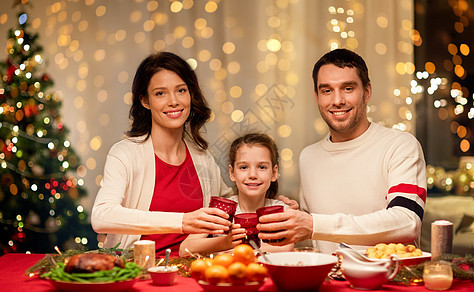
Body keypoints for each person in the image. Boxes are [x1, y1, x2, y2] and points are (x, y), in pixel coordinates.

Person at [257, 48, 427, 254]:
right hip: (328, 281)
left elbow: (407, 222)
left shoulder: (400, 145)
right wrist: (295, 216)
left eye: (348, 88)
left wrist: (312, 224)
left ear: (367, 92)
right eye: (326, 90)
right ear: (317, 96)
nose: (337, 100)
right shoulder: (308, 157)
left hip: (389, 281)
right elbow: (320, 230)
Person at [91, 52, 233, 256]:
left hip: (194, 273)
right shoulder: (125, 154)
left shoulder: (202, 157)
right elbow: (101, 216)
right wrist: (182, 222)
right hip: (139, 273)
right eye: (160, 93)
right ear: (145, 101)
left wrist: (274, 203)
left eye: (181, 90)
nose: (174, 101)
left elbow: (230, 202)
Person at [179, 133, 294, 256]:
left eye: (262, 167)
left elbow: (286, 247)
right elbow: (184, 249)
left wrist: (232, 251)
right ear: (232, 173)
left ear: (274, 173)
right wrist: (226, 242)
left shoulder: (281, 211)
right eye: (244, 167)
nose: (253, 175)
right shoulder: (221, 211)